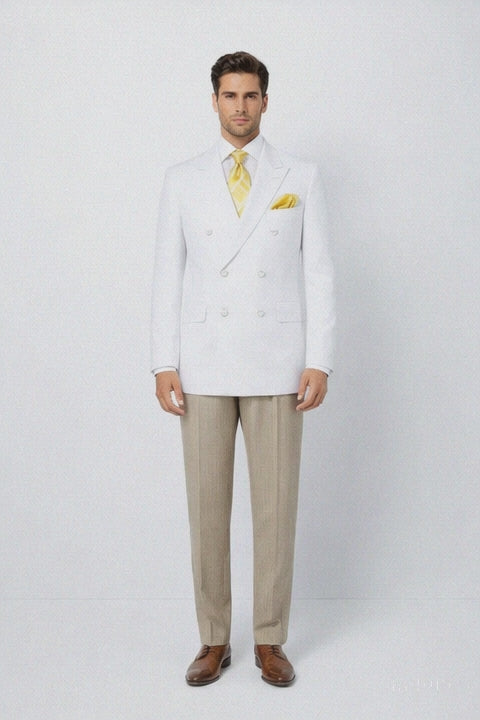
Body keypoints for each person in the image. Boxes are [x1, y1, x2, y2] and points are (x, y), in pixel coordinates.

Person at [151, 51, 334, 686]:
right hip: (202, 363)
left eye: (250, 95)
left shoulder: (300, 176)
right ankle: (212, 638)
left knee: (276, 509)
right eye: (229, 95)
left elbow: (320, 272)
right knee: (207, 509)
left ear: (265, 101)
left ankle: (270, 640)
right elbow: (165, 274)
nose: (240, 106)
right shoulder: (183, 178)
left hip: (277, 363)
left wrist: (320, 359)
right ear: (214, 101)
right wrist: (162, 361)